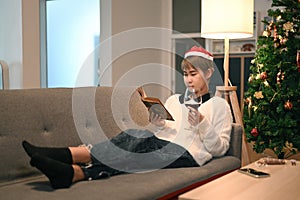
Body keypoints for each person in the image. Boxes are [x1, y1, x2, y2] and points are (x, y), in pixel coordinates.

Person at [22, 46, 233, 189]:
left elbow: (220, 148)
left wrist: (203, 123)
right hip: (164, 147)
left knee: (137, 137)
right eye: (185, 74)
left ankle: (69, 154)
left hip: (190, 156)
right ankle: (75, 173)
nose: (188, 80)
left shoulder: (219, 105)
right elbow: (164, 133)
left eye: (193, 74)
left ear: (208, 73)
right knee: (132, 151)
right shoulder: (173, 100)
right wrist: (158, 124)